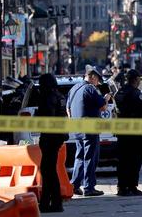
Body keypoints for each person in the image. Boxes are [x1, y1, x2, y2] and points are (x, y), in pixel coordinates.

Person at [66, 65, 111, 197]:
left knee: (79, 156)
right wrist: (107, 98)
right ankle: (89, 187)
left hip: (77, 128)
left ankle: (74, 185)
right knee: (91, 157)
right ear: (92, 77)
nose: (97, 83)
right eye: (97, 80)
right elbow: (102, 107)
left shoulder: (74, 88)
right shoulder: (90, 89)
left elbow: (68, 109)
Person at [36, 74, 69, 213]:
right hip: (57, 136)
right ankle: (47, 202)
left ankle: (55, 202)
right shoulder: (60, 96)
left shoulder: (48, 97)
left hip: (50, 136)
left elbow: (47, 116)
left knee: (48, 170)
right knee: (48, 170)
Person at [114, 69, 142, 197]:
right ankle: (132, 186)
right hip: (134, 132)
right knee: (134, 160)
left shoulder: (120, 92)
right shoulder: (136, 94)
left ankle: (122, 187)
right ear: (135, 79)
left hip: (122, 131)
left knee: (123, 160)